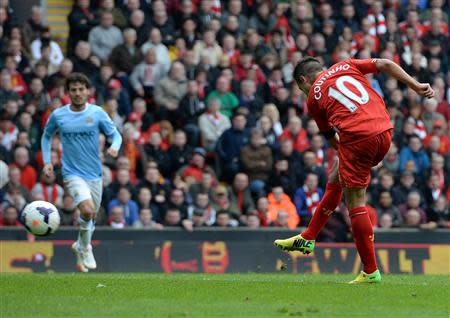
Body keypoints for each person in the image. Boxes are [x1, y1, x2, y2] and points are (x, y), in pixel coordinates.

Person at [274, 57, 434, 283]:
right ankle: (308, 237)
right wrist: (415, 86)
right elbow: (385, 64)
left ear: (303, 80)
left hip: (358, 136)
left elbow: (330, 136)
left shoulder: (313, 97)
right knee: (336, 174)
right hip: (385, 130)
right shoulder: (346, 64)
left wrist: (353, 153)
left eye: (302, 89)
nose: (303, 92)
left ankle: (370, 271)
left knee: (355, 202)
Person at [41, 73, 122, 272]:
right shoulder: (59, 115)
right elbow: (46, 136)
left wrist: (115, 147)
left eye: (81, 89)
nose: (77, 93)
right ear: (68, 93)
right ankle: (85, 247)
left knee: (91, 215)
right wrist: (47, 162)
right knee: (86, 210)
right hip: (71, 173)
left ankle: (80, 244)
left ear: (88, 91)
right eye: (73, 90)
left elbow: (116, 135)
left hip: (94, 174)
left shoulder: (97, 113)